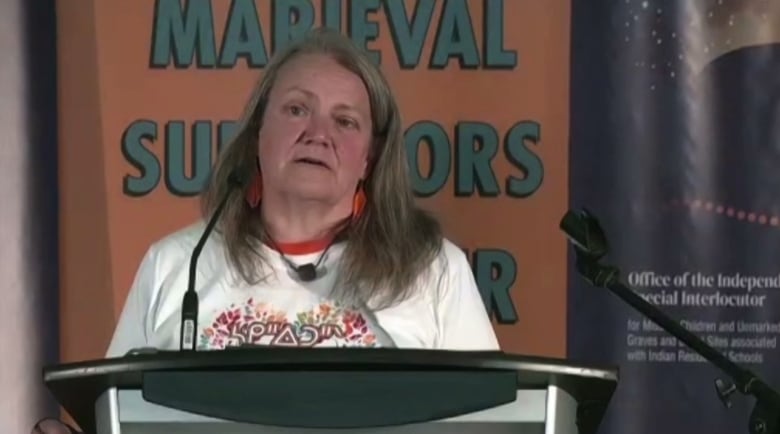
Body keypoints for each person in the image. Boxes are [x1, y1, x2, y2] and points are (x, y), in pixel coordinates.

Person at [33, 27, 499, 434]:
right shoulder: (178, 264)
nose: (319, 134)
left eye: (345, 121)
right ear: (258, 132)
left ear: (369, 159)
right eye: (297, 109)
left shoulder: (433, 270)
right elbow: (116, 415)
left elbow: (496, 423)